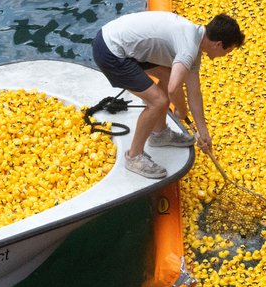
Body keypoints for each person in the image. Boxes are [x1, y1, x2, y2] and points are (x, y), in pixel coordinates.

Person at [92, 11, 245, 179]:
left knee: (170, 74)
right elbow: (173, 89)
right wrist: (181, 111)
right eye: (228, 51)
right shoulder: (188, 48)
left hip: (124, 43)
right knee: (158, 102)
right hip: (110, 50)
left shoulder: (194, 41)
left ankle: (159, 134)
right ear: (218, 44)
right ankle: (134, 156)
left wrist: (203, 132)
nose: (225, 56)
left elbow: (194, 92)